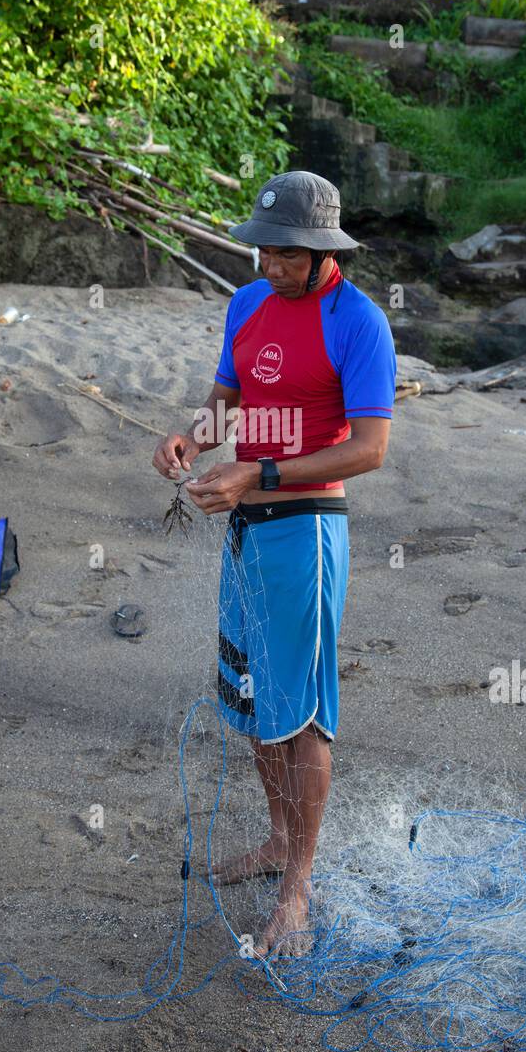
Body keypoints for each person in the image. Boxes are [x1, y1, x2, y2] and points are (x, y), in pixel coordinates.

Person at [151, 170, 396, 960]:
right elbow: (230, 400)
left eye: (284, 254)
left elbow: (369, 447)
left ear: (323, 251)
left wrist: (258, 474)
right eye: (260, 250)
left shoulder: (357, 323)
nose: (267, 266)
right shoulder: (249, 302)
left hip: (307, 531)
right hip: (246, 528)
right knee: (256, 697)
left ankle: (299, 884)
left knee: (304, 710)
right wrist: (193, 438)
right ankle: (276, 841)